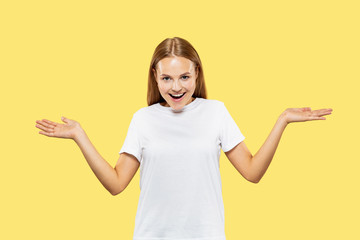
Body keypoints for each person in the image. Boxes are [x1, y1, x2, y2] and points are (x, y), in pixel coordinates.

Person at [35, 37, 333, 240]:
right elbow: (115, 184)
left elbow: (253, 172)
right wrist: (79, 135)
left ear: (196, 73)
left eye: (184, 77)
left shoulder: (216, 112)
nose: (176, 87)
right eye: (167, 78)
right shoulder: (143, 119)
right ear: (155, 76)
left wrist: (282, 120)